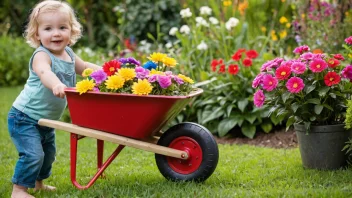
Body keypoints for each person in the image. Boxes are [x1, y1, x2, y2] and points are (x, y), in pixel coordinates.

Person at [7, 1, 100, 197]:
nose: (56, 33)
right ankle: (19, 190)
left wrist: (103, 72)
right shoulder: (42, 55)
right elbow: (44, 72)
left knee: (47, 155)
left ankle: (38, 183)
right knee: (33, 154)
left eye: (62, 27)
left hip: (46, 120)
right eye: (48, 28)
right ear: (37, 34)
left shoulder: (69, 54)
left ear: (71, 31)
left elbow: (84, 68)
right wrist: (57, 84)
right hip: (24, 117)